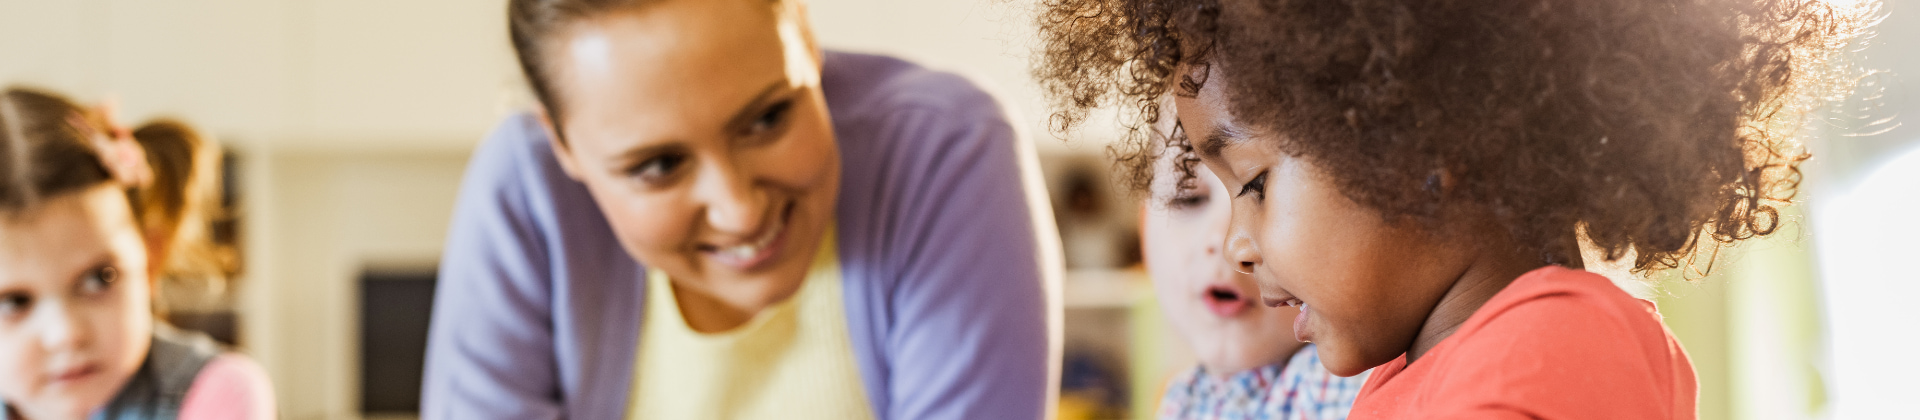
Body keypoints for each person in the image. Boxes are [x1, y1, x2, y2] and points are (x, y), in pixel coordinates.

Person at [1034, 0, 1871, 418]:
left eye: (1250, 184)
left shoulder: (1554, 350)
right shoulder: (1407, 375)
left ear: (1420, 146)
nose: (1237, 246)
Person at [421, 0, 1060, 419]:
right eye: (657, 166)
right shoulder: (525, 191)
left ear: (807, 41)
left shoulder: (943, 149)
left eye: (768, 118)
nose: (739, 211)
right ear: (564, 145)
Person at [0, 87, 274, 420]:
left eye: (100, 278)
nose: (66, 334)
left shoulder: (214, 395)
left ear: (150, 257)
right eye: (13, 302)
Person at [1140, 101, 1366, 420]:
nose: (1223, 240)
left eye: (1265, 196)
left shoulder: (1344, 388)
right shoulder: (1182, 398)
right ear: (1141, 223)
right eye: (1189, 198)